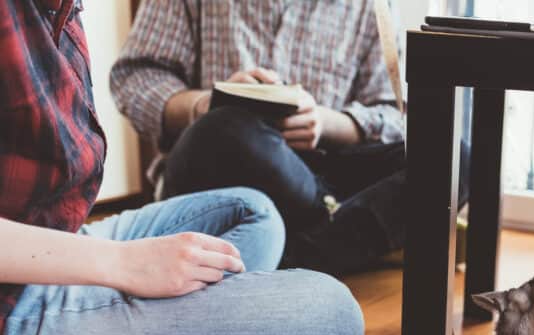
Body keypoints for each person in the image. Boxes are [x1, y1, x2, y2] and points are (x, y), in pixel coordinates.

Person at [0, 0, 364, 335]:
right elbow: (136, 80)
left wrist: (326, 123)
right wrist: (122, 265)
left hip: (41, 248)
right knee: (331, 315)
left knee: (252, 212)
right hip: (11, 316)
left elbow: (391, 120)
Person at [111, 0, 470, 275]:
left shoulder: (369, 6)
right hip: (221, 161)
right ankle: (346, 238)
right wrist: (205, 104)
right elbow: (134, 78)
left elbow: (397, 115)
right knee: (228, 129)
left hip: (320, 170)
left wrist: (326, 123)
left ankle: (293, 256)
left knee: (453, 155)